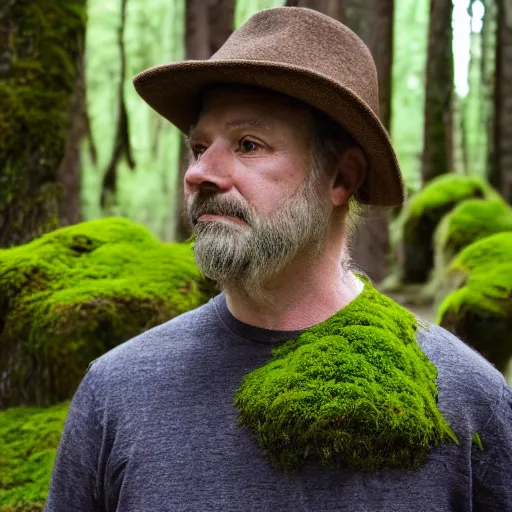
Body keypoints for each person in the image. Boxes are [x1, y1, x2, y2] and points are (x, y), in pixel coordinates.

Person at [44, 7, 512, 512]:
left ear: (340, 178)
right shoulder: (116, 391)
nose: (200, 172)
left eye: (248, 144)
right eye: (199, 146)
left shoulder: (465, 401)